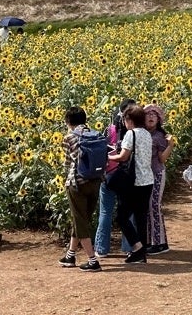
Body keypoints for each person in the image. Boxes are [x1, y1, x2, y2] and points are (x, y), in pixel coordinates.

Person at [106, 104, 154, 264]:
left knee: (122, 216)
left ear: (130, 120)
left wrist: (108, 157)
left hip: (134, 182)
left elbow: (123, 156)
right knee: (140, 217)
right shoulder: (147, 134)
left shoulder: (131, 134)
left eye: (125, 119)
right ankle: (141, 253)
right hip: (147, 181)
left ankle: (138, 248)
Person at [58, 107, 101, 271]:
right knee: (82, 219)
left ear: (68, 121)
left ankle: (92, 260)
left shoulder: (69, 137)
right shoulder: (96, 134)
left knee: (80, 221)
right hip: (96, 181)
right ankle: (70, 255)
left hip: (77, 184)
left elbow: (67, 164)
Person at [95, 99, 133, 258]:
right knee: (128, 213)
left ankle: (101, 249)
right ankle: (129, 246)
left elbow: (101, 150)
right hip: (126, 176)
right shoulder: (133, 132)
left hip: (109, 175)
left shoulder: (109, 129)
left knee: (105, 212)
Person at [144, 104, 174, 255]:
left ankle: (160, 243)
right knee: (149, 208)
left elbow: (162, 159)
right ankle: (152, 241)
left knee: (154, 206)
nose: (150, 117)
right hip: (146, 175)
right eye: (148, 115)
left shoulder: (159, 136)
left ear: (158, 119)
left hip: (157, 174)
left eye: (153, 115)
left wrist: (171, 145)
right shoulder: (143, 134)